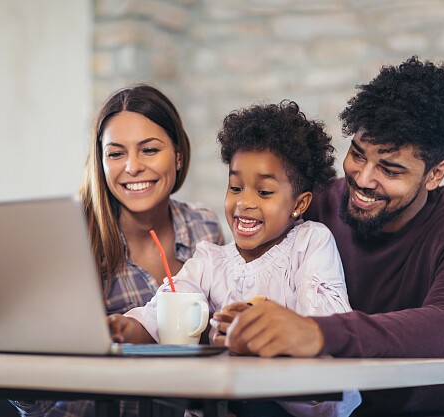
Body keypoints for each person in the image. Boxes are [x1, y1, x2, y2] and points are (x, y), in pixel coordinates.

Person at [212, 56, 444, 417]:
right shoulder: (313, 204)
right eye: (357, 154)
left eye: (390, 169)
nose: (364, 179)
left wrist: (317, 332)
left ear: (435, 174)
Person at [109, 100, 361, 417]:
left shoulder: (310, 242)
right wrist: (125, 329)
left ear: (299, 204)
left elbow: (328, 325)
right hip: (230, 403)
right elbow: (166, 308)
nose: (244, 203)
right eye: (236, 187)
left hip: (299, 407)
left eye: (264, 192)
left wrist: (257, 322)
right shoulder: (210, 259)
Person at [11, 84, 224, 417]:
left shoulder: (203, 227)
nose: (133, 167)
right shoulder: (74, 238)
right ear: (101, 162)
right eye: (116, 153)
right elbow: (37, 403)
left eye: (149, 150)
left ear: (179, 155)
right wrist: (7, 356)